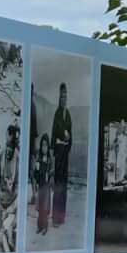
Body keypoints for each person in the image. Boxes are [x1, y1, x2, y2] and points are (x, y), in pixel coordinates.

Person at [50, 82, 73, 227]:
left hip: (65, 155)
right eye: (61, 95)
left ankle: (61, 216)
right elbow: (54, 135)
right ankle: (55, 218)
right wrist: (60, 138)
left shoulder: (68, 114)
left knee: (63, 185)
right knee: (58, 184)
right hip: (59, 154)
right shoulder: (57, 114)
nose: (63, 98)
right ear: (59, 97)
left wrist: (68, 137)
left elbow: (71, 135)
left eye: (65, 95)